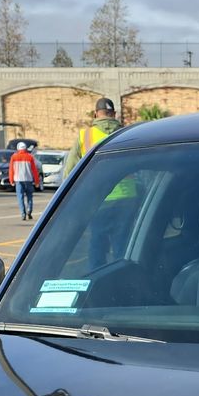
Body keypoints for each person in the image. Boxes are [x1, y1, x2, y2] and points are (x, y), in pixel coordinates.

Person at [63, 97, 136, 268]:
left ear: (96, 114)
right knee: (123, 245)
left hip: (98, 199)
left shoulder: (85, 135)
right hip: (128, 197)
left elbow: (70, 172)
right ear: (114, 114)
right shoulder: (128, 134)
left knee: (97, 242)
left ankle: (96, 277)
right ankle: (123, 274)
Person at [9, 140, 40, 221]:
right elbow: (34, 170)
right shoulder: (30, 157)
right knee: (30, 197)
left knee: (20, 197)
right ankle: (29, 210)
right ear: (25, 148)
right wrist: (37, 182)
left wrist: (11, 180)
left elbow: (11, 170)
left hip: (18, 180)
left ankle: (23, 214)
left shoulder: (14, 157)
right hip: (28, 180)